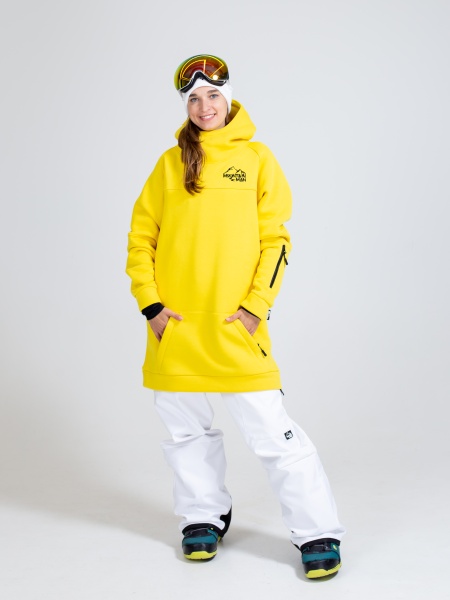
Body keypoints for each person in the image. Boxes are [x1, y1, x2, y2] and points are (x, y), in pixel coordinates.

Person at [126, 54, 345, 578]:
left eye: (213, 96)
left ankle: (316, 531)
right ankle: (203, 516)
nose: (204, 107)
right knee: (185, 432)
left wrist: (255, 308)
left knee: (273, 432)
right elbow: (141, 238)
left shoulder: (258, 159)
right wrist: (151, 306)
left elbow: (276, 241)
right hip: (176, 327)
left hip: (235, 325)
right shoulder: (170, 164)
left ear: (228, 98)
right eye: (193, 99)